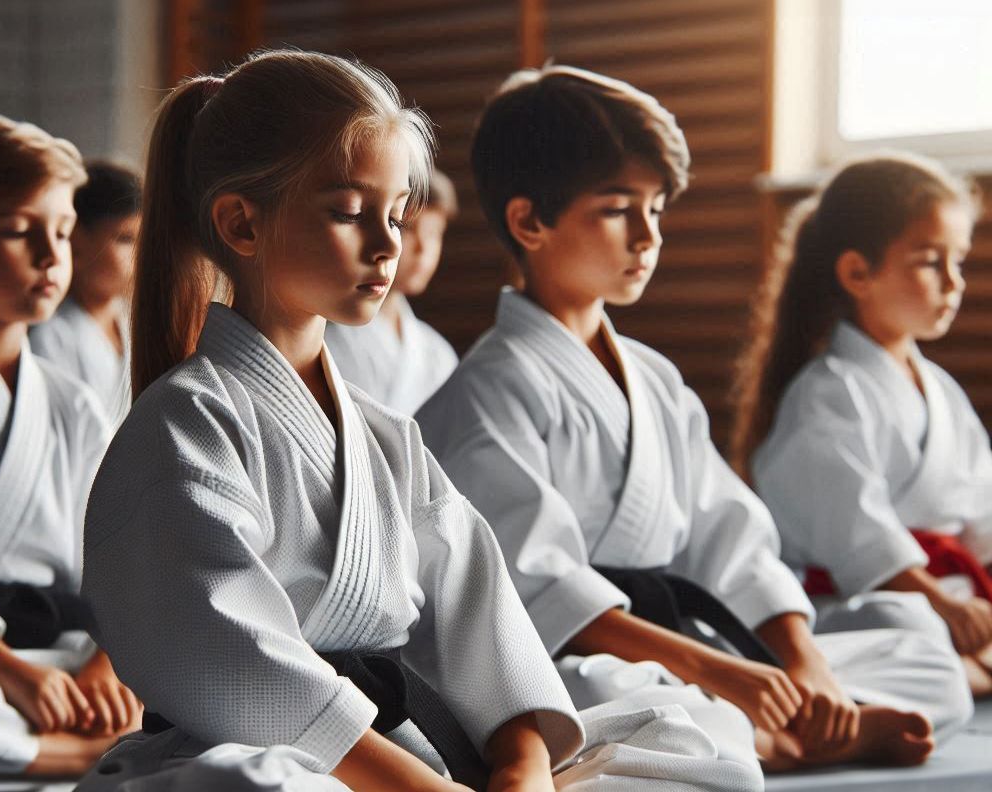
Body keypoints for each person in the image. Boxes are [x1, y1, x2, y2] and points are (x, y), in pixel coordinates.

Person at [75, 50, 763, 792]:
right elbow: (225, 655)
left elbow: (481, 621)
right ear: (241, 223)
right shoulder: (185, 423)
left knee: (697, 741)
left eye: (397, 213)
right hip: (277, 759)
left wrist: (519, 763)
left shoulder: (385, 437)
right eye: (347, 212)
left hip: (413, 745)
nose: (387, 244)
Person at [416, 66, 973, 775]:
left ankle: (791, 722)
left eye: (657, 209)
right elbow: (538, 597)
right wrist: (726, 674)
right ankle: (780, 739)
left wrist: (801, 662)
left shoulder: (654, 378)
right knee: (620, 699)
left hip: (689, 642)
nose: (647, 236)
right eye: (618, 210)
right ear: (530, 221)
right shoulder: (488, 394)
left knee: (918, 647)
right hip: (573, 656)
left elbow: (726, 533)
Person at [733, 153, 992, 696]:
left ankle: (969, 667)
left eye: (959, 262)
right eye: (928, 261)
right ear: (858, 273)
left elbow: (981, 516)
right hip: (856, 604)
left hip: (949, 596)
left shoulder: (940, 391)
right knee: (912, 627)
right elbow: (859, 541)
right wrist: (942, 603)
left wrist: (968, 600)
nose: (953, 282)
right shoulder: (828, 395)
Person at [0, 113, 140, 785]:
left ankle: (81, 733)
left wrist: (108, 661)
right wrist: (2, 666)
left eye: (64, 232)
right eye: (18, 231)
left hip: (61, 661)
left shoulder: (72, 405)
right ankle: (72, 757)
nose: (51, 255)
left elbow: (123, 560)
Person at [326, 168, 458, 415]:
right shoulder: (328, 338)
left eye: (434, 234)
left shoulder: (438, 353)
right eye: (407, 228)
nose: (423, 248)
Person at [30, 161, 141, 425]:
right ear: (75, 243)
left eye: (143, 241)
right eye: (125, 239)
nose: (140, 255)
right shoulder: (51, 338)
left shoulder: (134, 323)